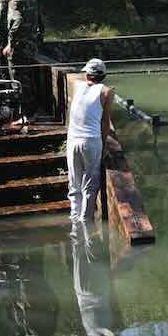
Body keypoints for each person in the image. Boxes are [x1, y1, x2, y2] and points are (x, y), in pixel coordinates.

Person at [66, 58, 116, 223]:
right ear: (103, 75)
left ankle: (75, 222)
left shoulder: (77, 86)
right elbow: (105, 123)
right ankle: (86, 222)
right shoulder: (107, 92)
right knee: (90, 185)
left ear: (87, 73)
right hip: (91, 141)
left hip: (73, 140)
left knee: (74, 184)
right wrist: (103, 147)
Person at [0, 0, 40, 121]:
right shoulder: (30, 0)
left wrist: (10, 43)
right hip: (30, 47)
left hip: (19, 48)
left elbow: (17, 22)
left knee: (19, 81)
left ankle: (26, 115)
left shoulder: (15, 2)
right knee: (29, 79)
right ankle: (31, 113)